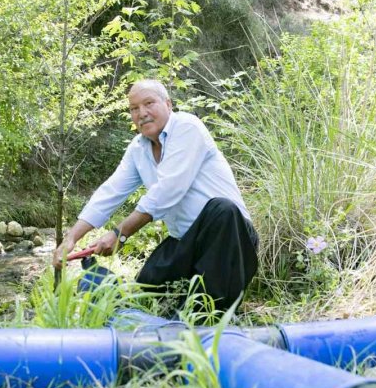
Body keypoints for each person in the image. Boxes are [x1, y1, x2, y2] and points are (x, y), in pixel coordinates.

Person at [52, 79, 258, 311]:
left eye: (149, 103)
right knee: (143, 300)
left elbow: (168, 190)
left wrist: (120, 233)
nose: (142, 113)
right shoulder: (138, 148)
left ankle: (211, 321)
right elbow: (111, 191)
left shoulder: (188, 127)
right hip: (185, 241)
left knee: (223, 209)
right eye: (134, 109)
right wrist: (72, 237)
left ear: (168, 104)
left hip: (230, 236)